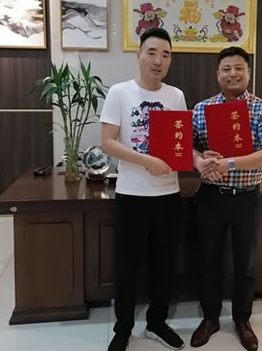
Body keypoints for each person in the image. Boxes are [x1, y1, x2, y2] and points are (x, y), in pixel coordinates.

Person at [190, 46, 262, 351]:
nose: (233, 74)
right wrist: (201, 159)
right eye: (226, 69)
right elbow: (185, 146)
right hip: (211, 197)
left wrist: (228, 163)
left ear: (248, 73)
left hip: (245, 198)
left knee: (246, 262)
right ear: (217, 74)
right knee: (209, 260)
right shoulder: (202, 109)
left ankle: (242, 320)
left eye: (239, 68)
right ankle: (210, 318)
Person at [100, 27, 187, 351]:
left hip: (167, 195)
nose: (158, 61)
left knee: (164, 265)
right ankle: (123, 328)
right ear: (138, 56)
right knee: (127, 265)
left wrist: (197, 157)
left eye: (165, 55)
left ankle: (157, 323)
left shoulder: (175, 96)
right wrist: (147, 160)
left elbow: (180, 143)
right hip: (132, 195)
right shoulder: (120, 93)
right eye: (151, 53)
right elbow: (108, 142)